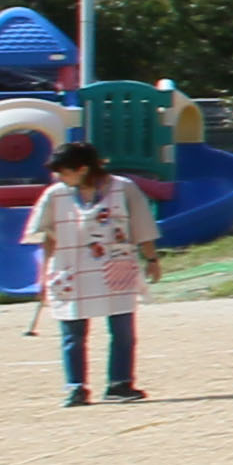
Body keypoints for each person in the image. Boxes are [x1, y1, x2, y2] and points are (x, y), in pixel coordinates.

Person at [29, 140, 160, 406]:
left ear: (82, 168)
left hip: (115, 265)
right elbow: (48, 237)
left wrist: (152, 258)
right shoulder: (55, 194)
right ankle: (76, 387)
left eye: (64, 171)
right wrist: (43, 275)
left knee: (123, 330)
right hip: (71, 269)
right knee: (73, 332)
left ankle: (120, 383)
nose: (60, 177)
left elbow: (142, 225)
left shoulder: (124, 189)